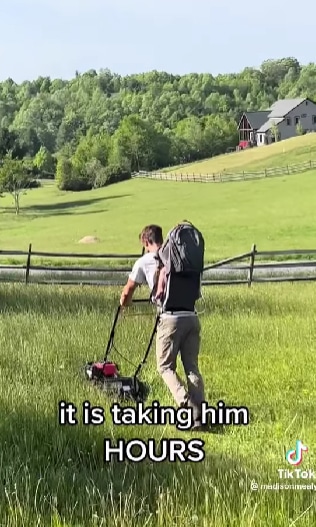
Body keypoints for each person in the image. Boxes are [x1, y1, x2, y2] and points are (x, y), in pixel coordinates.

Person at [120, 224, 206, 431]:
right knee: (191, 367)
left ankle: (185, 405)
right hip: (192, 317)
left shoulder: (145, 261)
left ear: (146, 242)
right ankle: (200, 414)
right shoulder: (180, 257)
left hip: (170, 319)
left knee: (165, 367)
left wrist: (125, 303)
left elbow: (128, 290)